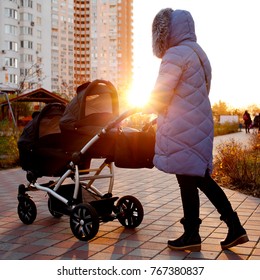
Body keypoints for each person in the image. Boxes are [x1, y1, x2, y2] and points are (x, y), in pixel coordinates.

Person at [146, 8, 249, 251]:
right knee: (198, 178)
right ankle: (232, 227)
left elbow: (162, 92)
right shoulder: (199, 53)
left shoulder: (174, 55)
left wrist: (150, 109)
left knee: (190, 179)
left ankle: (194, 233)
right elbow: (198, 90)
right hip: (198, 122)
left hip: (181, 127)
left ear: (166, 32)